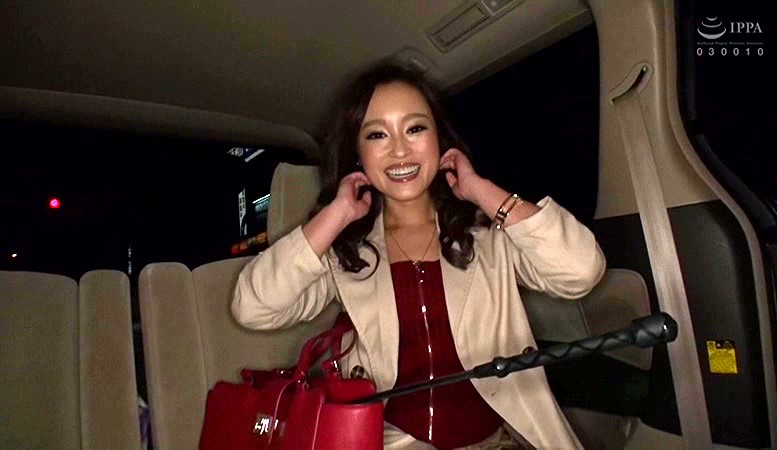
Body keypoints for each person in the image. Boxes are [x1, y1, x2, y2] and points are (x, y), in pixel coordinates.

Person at [232, 62, 606, 449]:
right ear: (358, 153)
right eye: (377, 134)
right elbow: (254, 307)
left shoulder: (488, 234)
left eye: (415, 129)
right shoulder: (346, 253)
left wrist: (480, 190)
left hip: (504, 438)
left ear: (439, 140)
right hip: (394, 441)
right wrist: (336, 214)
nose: (399, 150)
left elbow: (581, 271)